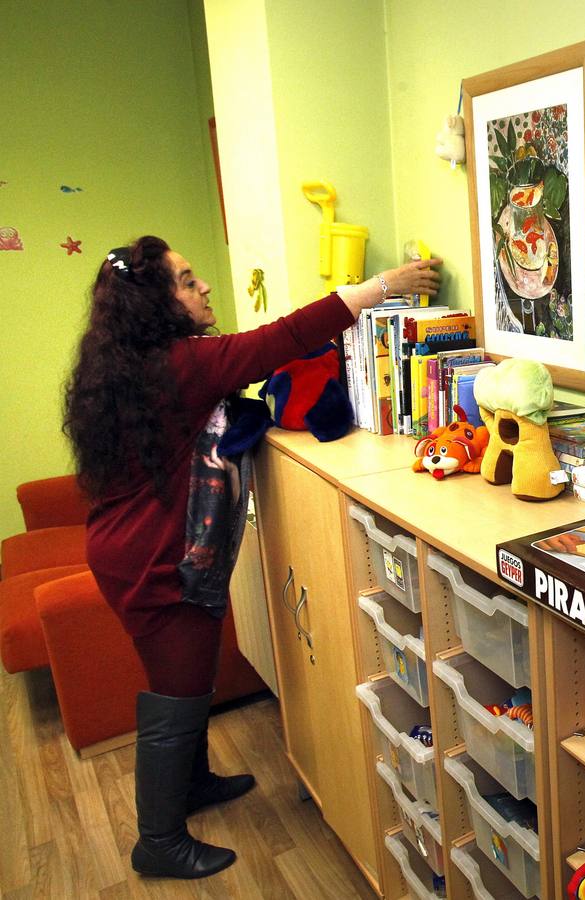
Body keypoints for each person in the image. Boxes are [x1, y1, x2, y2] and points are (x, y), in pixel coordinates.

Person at [63, 236, 439, 880]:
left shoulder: (131, 365)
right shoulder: (181, 365)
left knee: (188, 677)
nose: (204, 286)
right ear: (157, 304)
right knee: (177, 693)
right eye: (187, 281)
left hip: (131, 547)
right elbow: (282, 339)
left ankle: (193, 783)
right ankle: (158, 841)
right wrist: (384, 286)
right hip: (153, 560)